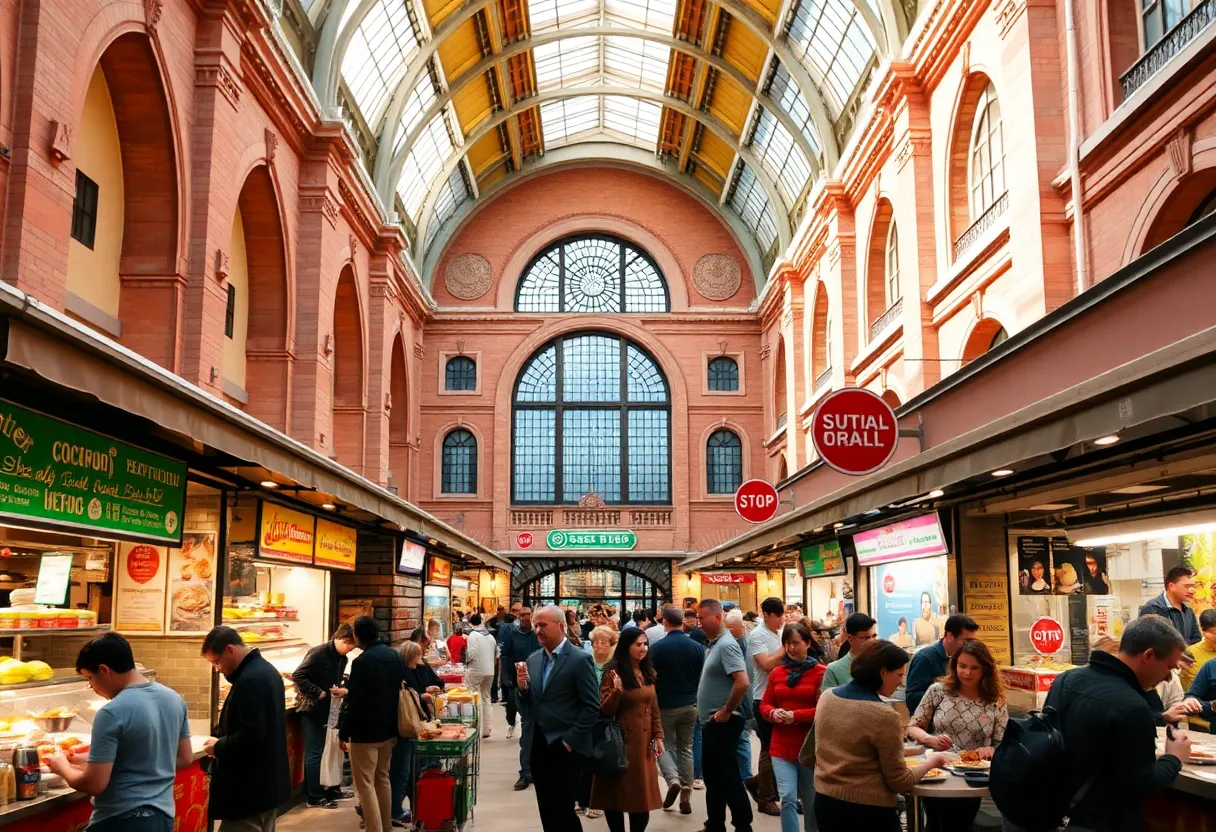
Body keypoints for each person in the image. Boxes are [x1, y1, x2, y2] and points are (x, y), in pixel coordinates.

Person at [1045, 615, 1192, 830]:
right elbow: (1141, 783)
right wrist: (1173, 757)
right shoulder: (1133, 707)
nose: (1169, 678)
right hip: (1102, 821)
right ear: (1149, 655)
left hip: (1053, 812)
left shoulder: (1067, 679)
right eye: (1170, 667)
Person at [44, 633, 191, 832]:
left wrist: (61, 767)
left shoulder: (112, 712)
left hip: (121, 820)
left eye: (90, 678)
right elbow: (184, 757)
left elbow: (95, 785)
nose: (92, 687)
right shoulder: (173, 698)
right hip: (162, 818)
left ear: (104, 670)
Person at [813, 640, 951, 830]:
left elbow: (856, 751)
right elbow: (900, 782)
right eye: (899, 675)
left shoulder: (827, 697)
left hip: (825, 803)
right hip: (867, 812)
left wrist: (916, 751)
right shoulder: (883, 715)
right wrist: (933, 762)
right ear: (883, 672)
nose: (900, 682)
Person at [906, 639, 1008, 832]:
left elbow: (1002, 743)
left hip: (972, 776)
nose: (967, 673)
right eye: (962, 666)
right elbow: (913, 727)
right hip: (937, 771)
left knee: (961, 824)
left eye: (974, 668)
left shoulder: (995, 700)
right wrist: (929, 739)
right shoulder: (938, 691)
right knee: (938, 824)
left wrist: (991, 749)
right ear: (954, 665)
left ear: (985, 669)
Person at [517, 605, 601, 832]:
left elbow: (592, 707)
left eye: (543, 625)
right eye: (535, 625)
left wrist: (569, 741)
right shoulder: (533, 660)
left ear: (561, 626)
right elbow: (527, 708)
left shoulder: (579, 660)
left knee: (564, 809)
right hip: (539, 745)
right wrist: (522, 689)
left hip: (565, 747)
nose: (537, 630)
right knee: (546, 808)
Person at [199, 626, 290, 832]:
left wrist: (219, 745)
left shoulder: (250, 680)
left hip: (249, 790)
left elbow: (253, 734)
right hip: (266, 786)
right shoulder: (264, 670)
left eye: (216, 662)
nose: (217, 669)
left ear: (230, 650)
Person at [590, 627, 665, 832]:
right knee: (615, 796)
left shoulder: (647, 671)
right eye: (638, 645)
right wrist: (615, 692)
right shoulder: (613, 672)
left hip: (643, 746)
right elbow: (604, 710)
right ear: (627, 646)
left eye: (645, 644)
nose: (643, 649)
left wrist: (658, 735)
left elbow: (653, 707)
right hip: (619, 742)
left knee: (642, 799)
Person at [339, 616, 406, 832]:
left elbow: (355, 700)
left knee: (365, 784)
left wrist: (344, 731)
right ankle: (386, 827)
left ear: (358, 636)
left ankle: (374, 829)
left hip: (365, 732)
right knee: (383, 778)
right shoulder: (394, 656)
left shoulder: (362, 662)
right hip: (389, 728)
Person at [758, 621, 825, 832]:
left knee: (811, 799)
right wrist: (772, 712)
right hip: (780, 745)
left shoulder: (821, 672)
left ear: (807, 643)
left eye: (796, 643)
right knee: (787, 797)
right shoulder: (777, 673)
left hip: (809, 747)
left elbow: (822, 710)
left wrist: (794, 716)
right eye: (787, 643)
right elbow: (765, 703)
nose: (791, 648)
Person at [697, 599, 753, 832]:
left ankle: (743, 825)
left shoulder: (727, 645)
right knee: (713, 778)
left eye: (702, 618)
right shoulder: (715, 644)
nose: (698, 623)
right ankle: (715, 824)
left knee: (727, 776)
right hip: (712, 723)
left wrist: (726, 711)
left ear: (718, 617)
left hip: (723, 724)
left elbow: (742, 682)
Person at [293, 623, 357, 808]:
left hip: (331, 707)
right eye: (351, 645)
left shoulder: (341, 657)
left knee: (331, 749)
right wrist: (318, 692)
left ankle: (331, 789)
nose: (351, 649)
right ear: (343, 640)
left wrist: (340, 686)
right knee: (315, 752)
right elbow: (298, 675)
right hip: (312, 709)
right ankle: (314, 796)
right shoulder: (318, 653)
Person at [649, 606, 705, 815]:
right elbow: (700, 676)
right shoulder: (697, 647)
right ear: (682, 622)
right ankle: (686, 795)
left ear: (664, 622)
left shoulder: (658, 648)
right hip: (690, 703)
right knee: (686, 748)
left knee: (662, 743)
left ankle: (672, 779)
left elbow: (651, 677)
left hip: (665, 704)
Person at [744, 597, 787, 817]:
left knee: (781, 749)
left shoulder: (778, 634)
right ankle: (766, 798)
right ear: (767, 615)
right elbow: (766, 664)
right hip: (763, 698)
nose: (781, 620)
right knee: (769, 749)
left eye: (783, 615)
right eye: (778, 616)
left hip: (781, 697)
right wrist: (786, 648)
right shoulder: (757, 635)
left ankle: (758, 783)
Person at [393, 639, 442, 826]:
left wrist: (425, 691)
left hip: (410, 727)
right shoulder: (403, 675)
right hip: (406, 728)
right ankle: (396, 809)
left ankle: (401, 808)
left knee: (404, 770)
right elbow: (408, 698)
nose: (420, 659)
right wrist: (422, 696)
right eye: (418, 656)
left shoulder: (411, 671)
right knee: (402, 771)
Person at [904, 614, 979, 714]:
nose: (970, 646)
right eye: (966, 641)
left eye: (973, 642)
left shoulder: (965, 658)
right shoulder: (925, 658)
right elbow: (913, 698)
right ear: (950, 636)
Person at [581, 624, 619, 819]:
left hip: (606, 716)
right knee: (585, 758)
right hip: (587, 713)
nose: (599, 646)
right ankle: (584, 799)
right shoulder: (587, 661)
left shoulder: (614, 664)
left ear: (611, 644)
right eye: (596, 642)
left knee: (602, 758)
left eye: (603, 642)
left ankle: (599, 801)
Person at [502, 606, 541, 789]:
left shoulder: (538, 635)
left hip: (537, 684)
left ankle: (532, 769)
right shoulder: (513, 634)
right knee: (525, 724)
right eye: (523, 615)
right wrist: (507, 678)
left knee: (530, 727)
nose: (526, 618)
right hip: (518, 682)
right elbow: (506, 655)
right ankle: (525, 772)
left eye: (528, 615)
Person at [725, 609, 756, 784]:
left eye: (732, 629)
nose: (729, 632)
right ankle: (744, 776)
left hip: (742, 698)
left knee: (742, 737)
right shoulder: (740, 642)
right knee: (741, 737)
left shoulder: (741, 645)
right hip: (742, 697)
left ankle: (745, 777)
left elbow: (743, 678)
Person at [1140, 565, 1202, 645]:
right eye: (1187, 586)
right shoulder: (1152, 608)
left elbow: (1196, 641)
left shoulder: (1188, 611)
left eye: (1193, 587)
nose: (1191, 591)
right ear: (1172, 586)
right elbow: (1149, 643)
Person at [820, 613, 876, 691]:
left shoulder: (884, 664)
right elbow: (828, 701)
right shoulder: (834, 669)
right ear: (851, 639)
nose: (872, 641)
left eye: (874, 636)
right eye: (865, 638)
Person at [464, 613, 498, 739]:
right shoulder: (490, 636)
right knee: (486, 698)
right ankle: (486, 730)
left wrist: (466, 661)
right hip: (490, 671)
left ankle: (474, 729)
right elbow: (497, 653)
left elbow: (471, 653)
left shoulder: (473, 635)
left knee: (473, 698)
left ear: (471, 623)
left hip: (476, 670)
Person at [1182, 608, 1216, 731]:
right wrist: (1211, 706)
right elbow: (1190, 695)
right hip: (1203, 725)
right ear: (1204, 632)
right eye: (1213, 632)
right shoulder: (1208, 665)